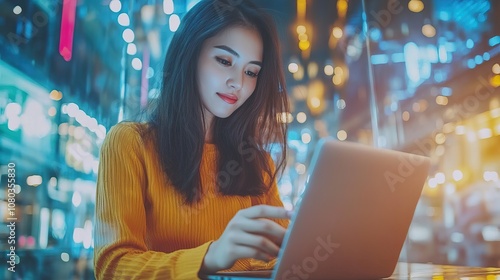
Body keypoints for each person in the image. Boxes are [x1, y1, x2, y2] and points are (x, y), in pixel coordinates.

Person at [93, 0, 291, 279]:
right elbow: (112, 267)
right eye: (224, 61)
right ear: (190, 54)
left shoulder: (257, 161)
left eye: (251, 72)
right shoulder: (129, 144)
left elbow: (280, 259)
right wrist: (210, 257)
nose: (238, 83)